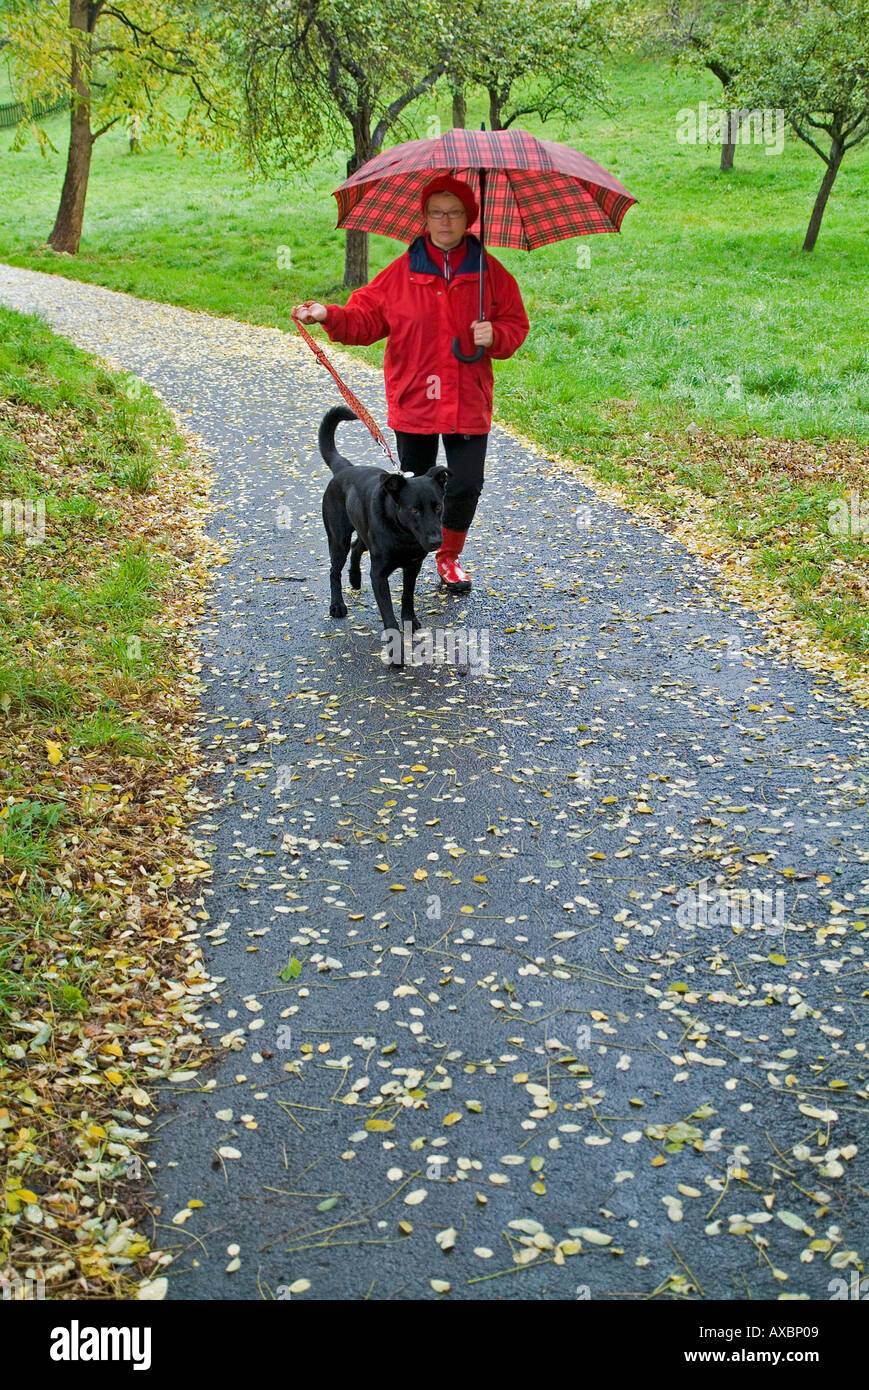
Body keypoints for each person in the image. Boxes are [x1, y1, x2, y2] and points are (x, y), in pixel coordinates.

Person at [293, 175, 529, 593]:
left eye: (454, 212)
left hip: (467, 398)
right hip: (415, 396)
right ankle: (408, 549)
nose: (445, 221)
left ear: (468, 218)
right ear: (424, 218)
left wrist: (496, 335)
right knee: (415, 486)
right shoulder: (400, 274)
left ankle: (449, 557)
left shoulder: (489, 273)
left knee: (466, 483)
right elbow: (364, 319)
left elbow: (516, 324)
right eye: (437, 212)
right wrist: (328, 314)